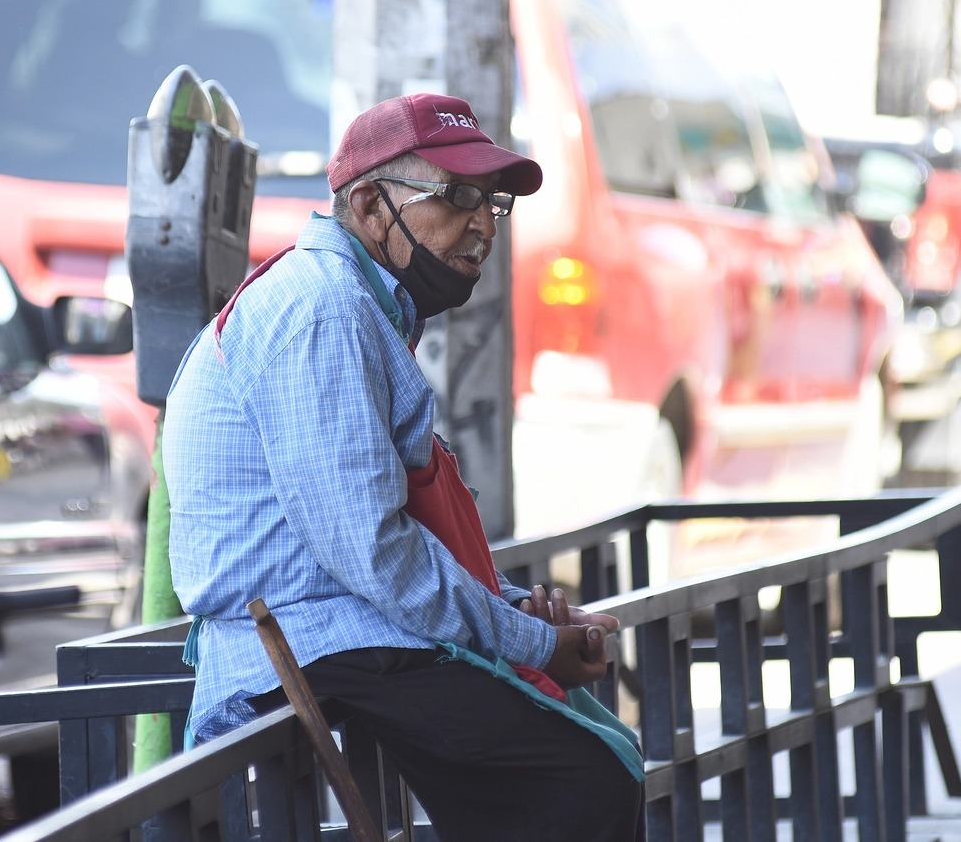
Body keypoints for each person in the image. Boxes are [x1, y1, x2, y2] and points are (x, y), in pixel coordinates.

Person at [162, 92, 644, 840]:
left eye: (490, 203)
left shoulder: (354, 302)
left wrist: (515, 610)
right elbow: (374, 550)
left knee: (597, 755)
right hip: (316, 639)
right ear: (367, 205)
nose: (482, 224)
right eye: (455, 197)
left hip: (354, 628)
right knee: (578, 778)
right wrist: (530, 640)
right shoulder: (322, 310)